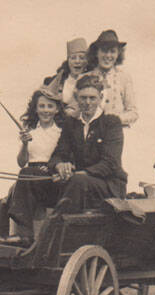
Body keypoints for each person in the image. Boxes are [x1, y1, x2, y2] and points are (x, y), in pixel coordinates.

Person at [0, 83, 64, 245]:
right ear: (36, 109)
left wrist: (49, 169)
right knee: (17, 184)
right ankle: (16, 235)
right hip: (30, 176)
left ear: (57, 110)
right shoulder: (31, 131)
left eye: (50, 106)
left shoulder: (61, 133)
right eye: (41, 106)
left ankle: (25, 235)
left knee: (25, 175)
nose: (45, 110)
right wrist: (25, 144)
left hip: (51, 179)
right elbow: (21, 162)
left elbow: (63, 157)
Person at [48, 74, 128, 214]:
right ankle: (23, 234)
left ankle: (51, 231)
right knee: (28, 174)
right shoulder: (71, 124)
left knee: (77, 181)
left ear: (101, 98)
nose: (88, 102)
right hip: (77, 183)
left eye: (92, 98)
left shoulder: (111, 123)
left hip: (108, 186)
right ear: (76, 97)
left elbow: (110, 164)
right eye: (83, 98)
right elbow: (58, 155)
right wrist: (59, 165)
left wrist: (78, 174)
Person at [83, 30, 138, 127]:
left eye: (112, 51)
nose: (108, 56)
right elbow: (74, 109)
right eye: (104, 51)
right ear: (96, 52)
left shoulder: (124, 78)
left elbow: (133, 113)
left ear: (118, 55)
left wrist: (115, 120)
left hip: (116, 134)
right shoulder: (85, 77)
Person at [36, 37, 91, 117]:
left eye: (81, 58)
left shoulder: (91, 81)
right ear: (68, 61)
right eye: (73, 58)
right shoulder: (56, 81)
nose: (77, 61)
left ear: (87, 61)